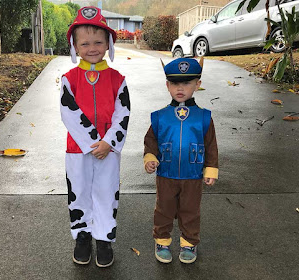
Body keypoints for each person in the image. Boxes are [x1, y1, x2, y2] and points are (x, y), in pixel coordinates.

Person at [60, 6, 130, 268]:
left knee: (106, 191)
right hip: (78, 149)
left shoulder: (117, 79)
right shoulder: (70, 79)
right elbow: (69, 112)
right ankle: (82, 236)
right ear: (75, 46)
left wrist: (109, 142)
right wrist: (92, 143)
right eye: (85, 43)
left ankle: (103, 238)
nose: (92, 48)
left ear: (108, 44)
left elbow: (123, 112)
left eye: (99, 42)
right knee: (78, 192)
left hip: (108, 150)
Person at [143, 57, 218, 264]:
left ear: (197, 85)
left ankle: (189, 242)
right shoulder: (160, 116)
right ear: (167, 85)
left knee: (190, 210)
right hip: (166, 174)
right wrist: (150, 158)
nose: (180, 88)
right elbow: (151, 141)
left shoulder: (204, 117)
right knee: (164, 208)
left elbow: (211, 144)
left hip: (193, 175)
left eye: (186, 83)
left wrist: (210, 169)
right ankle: (162, 240)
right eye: (175, 83)